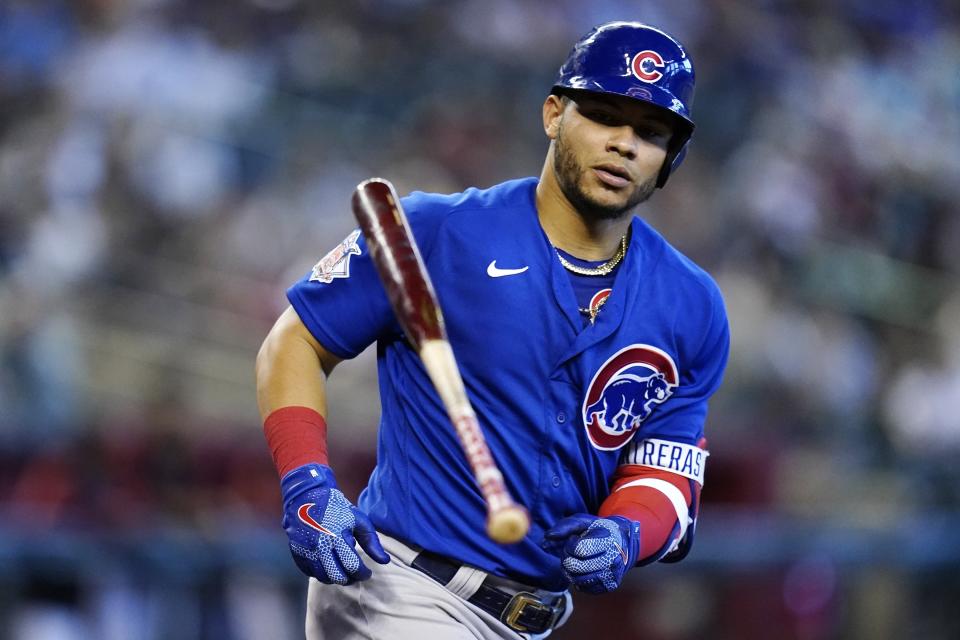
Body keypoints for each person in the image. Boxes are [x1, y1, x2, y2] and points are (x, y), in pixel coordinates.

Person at [256, 20, 729, 639]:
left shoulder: (691, 305)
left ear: (672, 156)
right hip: (402, 588)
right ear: (554, 114)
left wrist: (626, 531)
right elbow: (295, 341)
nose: (623, 143)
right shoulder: (432, 231)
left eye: (649, 132)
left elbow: (663, 466)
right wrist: (307, 483)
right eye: (604, 115)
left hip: (534, 619)